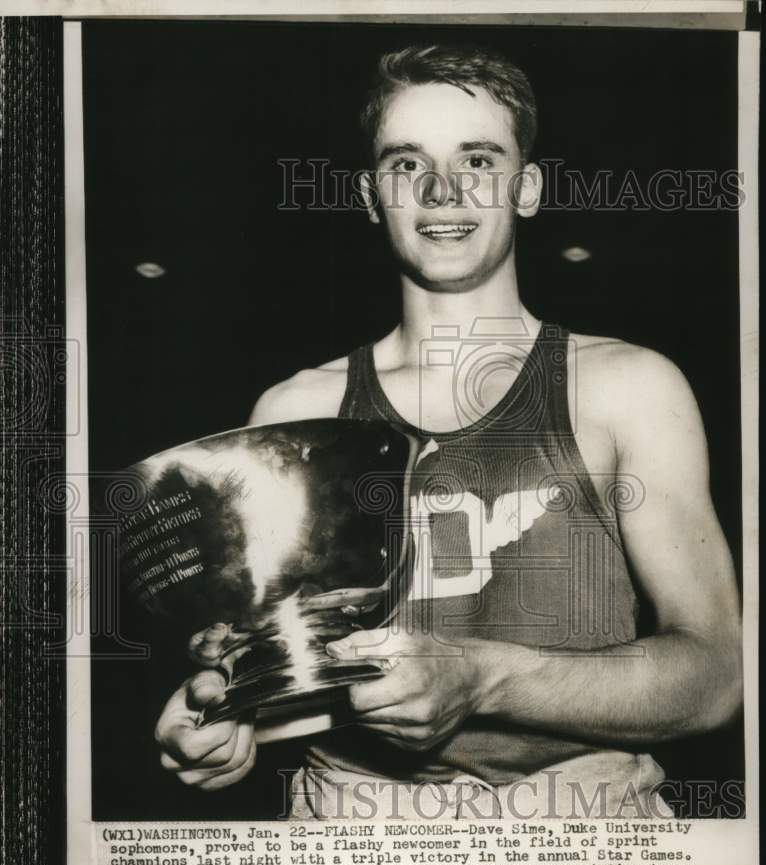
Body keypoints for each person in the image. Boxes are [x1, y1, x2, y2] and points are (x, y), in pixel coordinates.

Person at [154, 43, 741, 819]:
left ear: (526, 188)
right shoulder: (295, 413)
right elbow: (283, 669)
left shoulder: (628, 388)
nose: (441, 190)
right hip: (354, 827)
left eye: (477, 159)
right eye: (406, 164)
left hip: (583, 822)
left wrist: (484, 676)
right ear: (371, 196)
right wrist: (218, 720)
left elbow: (716, 674)